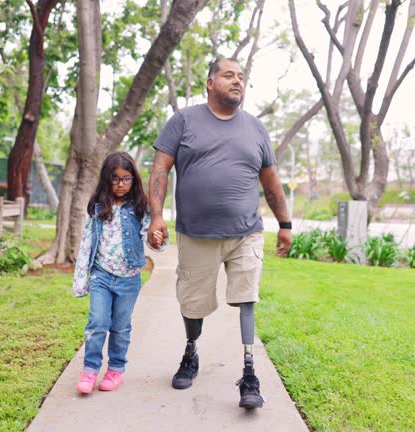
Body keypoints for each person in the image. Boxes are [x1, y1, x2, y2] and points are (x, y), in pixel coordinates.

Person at [147, 57, 292, 409]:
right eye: (229, 75)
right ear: (210, 82)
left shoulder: (256, 128)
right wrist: (156, 216)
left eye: (241, 77)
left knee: (247, 298)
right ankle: (191, 351)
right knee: (193, 303)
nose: (237, 81)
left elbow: (271, 181)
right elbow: (160, 169)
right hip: (197, 234)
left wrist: (285, 223)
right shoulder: (184, 121)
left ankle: (249, 374)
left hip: (246, 232)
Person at [72, 152, 165, 394]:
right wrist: (81, 278)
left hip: (129, 279)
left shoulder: (141, 207)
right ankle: (90, 370)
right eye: (115, 179)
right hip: (101, 275)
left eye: (126, 179)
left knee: (120, 326)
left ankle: (115, 369)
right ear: (106, 179)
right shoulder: (98, 207)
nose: (121, 184)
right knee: (97, 323)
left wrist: (156, 239)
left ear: (134, 180)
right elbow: (86, 243)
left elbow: (154, 236)